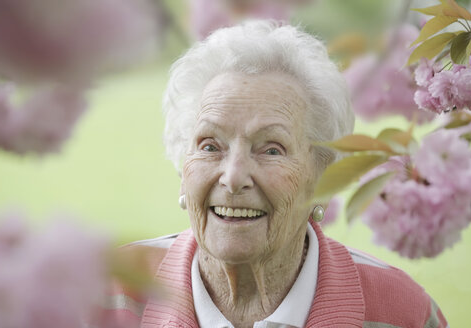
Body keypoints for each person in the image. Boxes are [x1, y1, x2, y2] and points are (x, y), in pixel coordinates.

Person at [99, 20, 449, 328]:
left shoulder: (405, 317)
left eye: (271, 149)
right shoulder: (102, 298)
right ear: (182, 167)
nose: (233, 178)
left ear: (324, 179)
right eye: (209, 146)